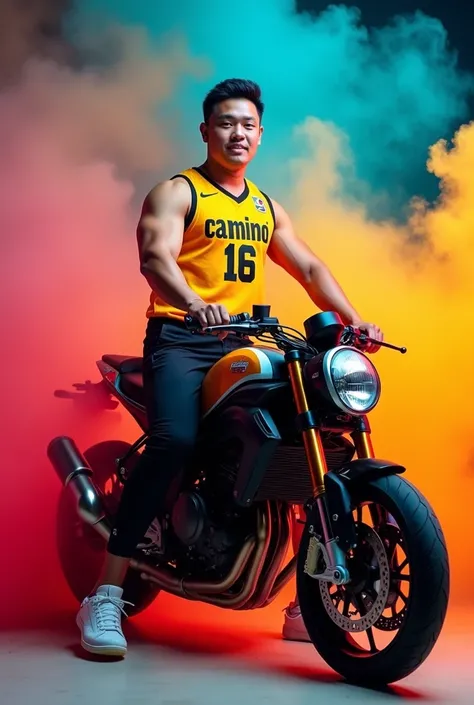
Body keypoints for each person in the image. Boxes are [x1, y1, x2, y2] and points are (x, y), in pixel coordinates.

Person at [76, 78, 383, 656]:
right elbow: (154, 255)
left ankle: (306, 600)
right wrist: (192, 304)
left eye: (247, 125)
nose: (237, 133)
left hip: (246, 342)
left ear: (260, 135)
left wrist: (353, 320)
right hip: (182, 338)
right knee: (174, 442)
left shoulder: (266, 206)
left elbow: (311, 270)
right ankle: (105, 595)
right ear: (205, 130)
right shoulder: (177, 191)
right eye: (225, 123)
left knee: (300, 435)